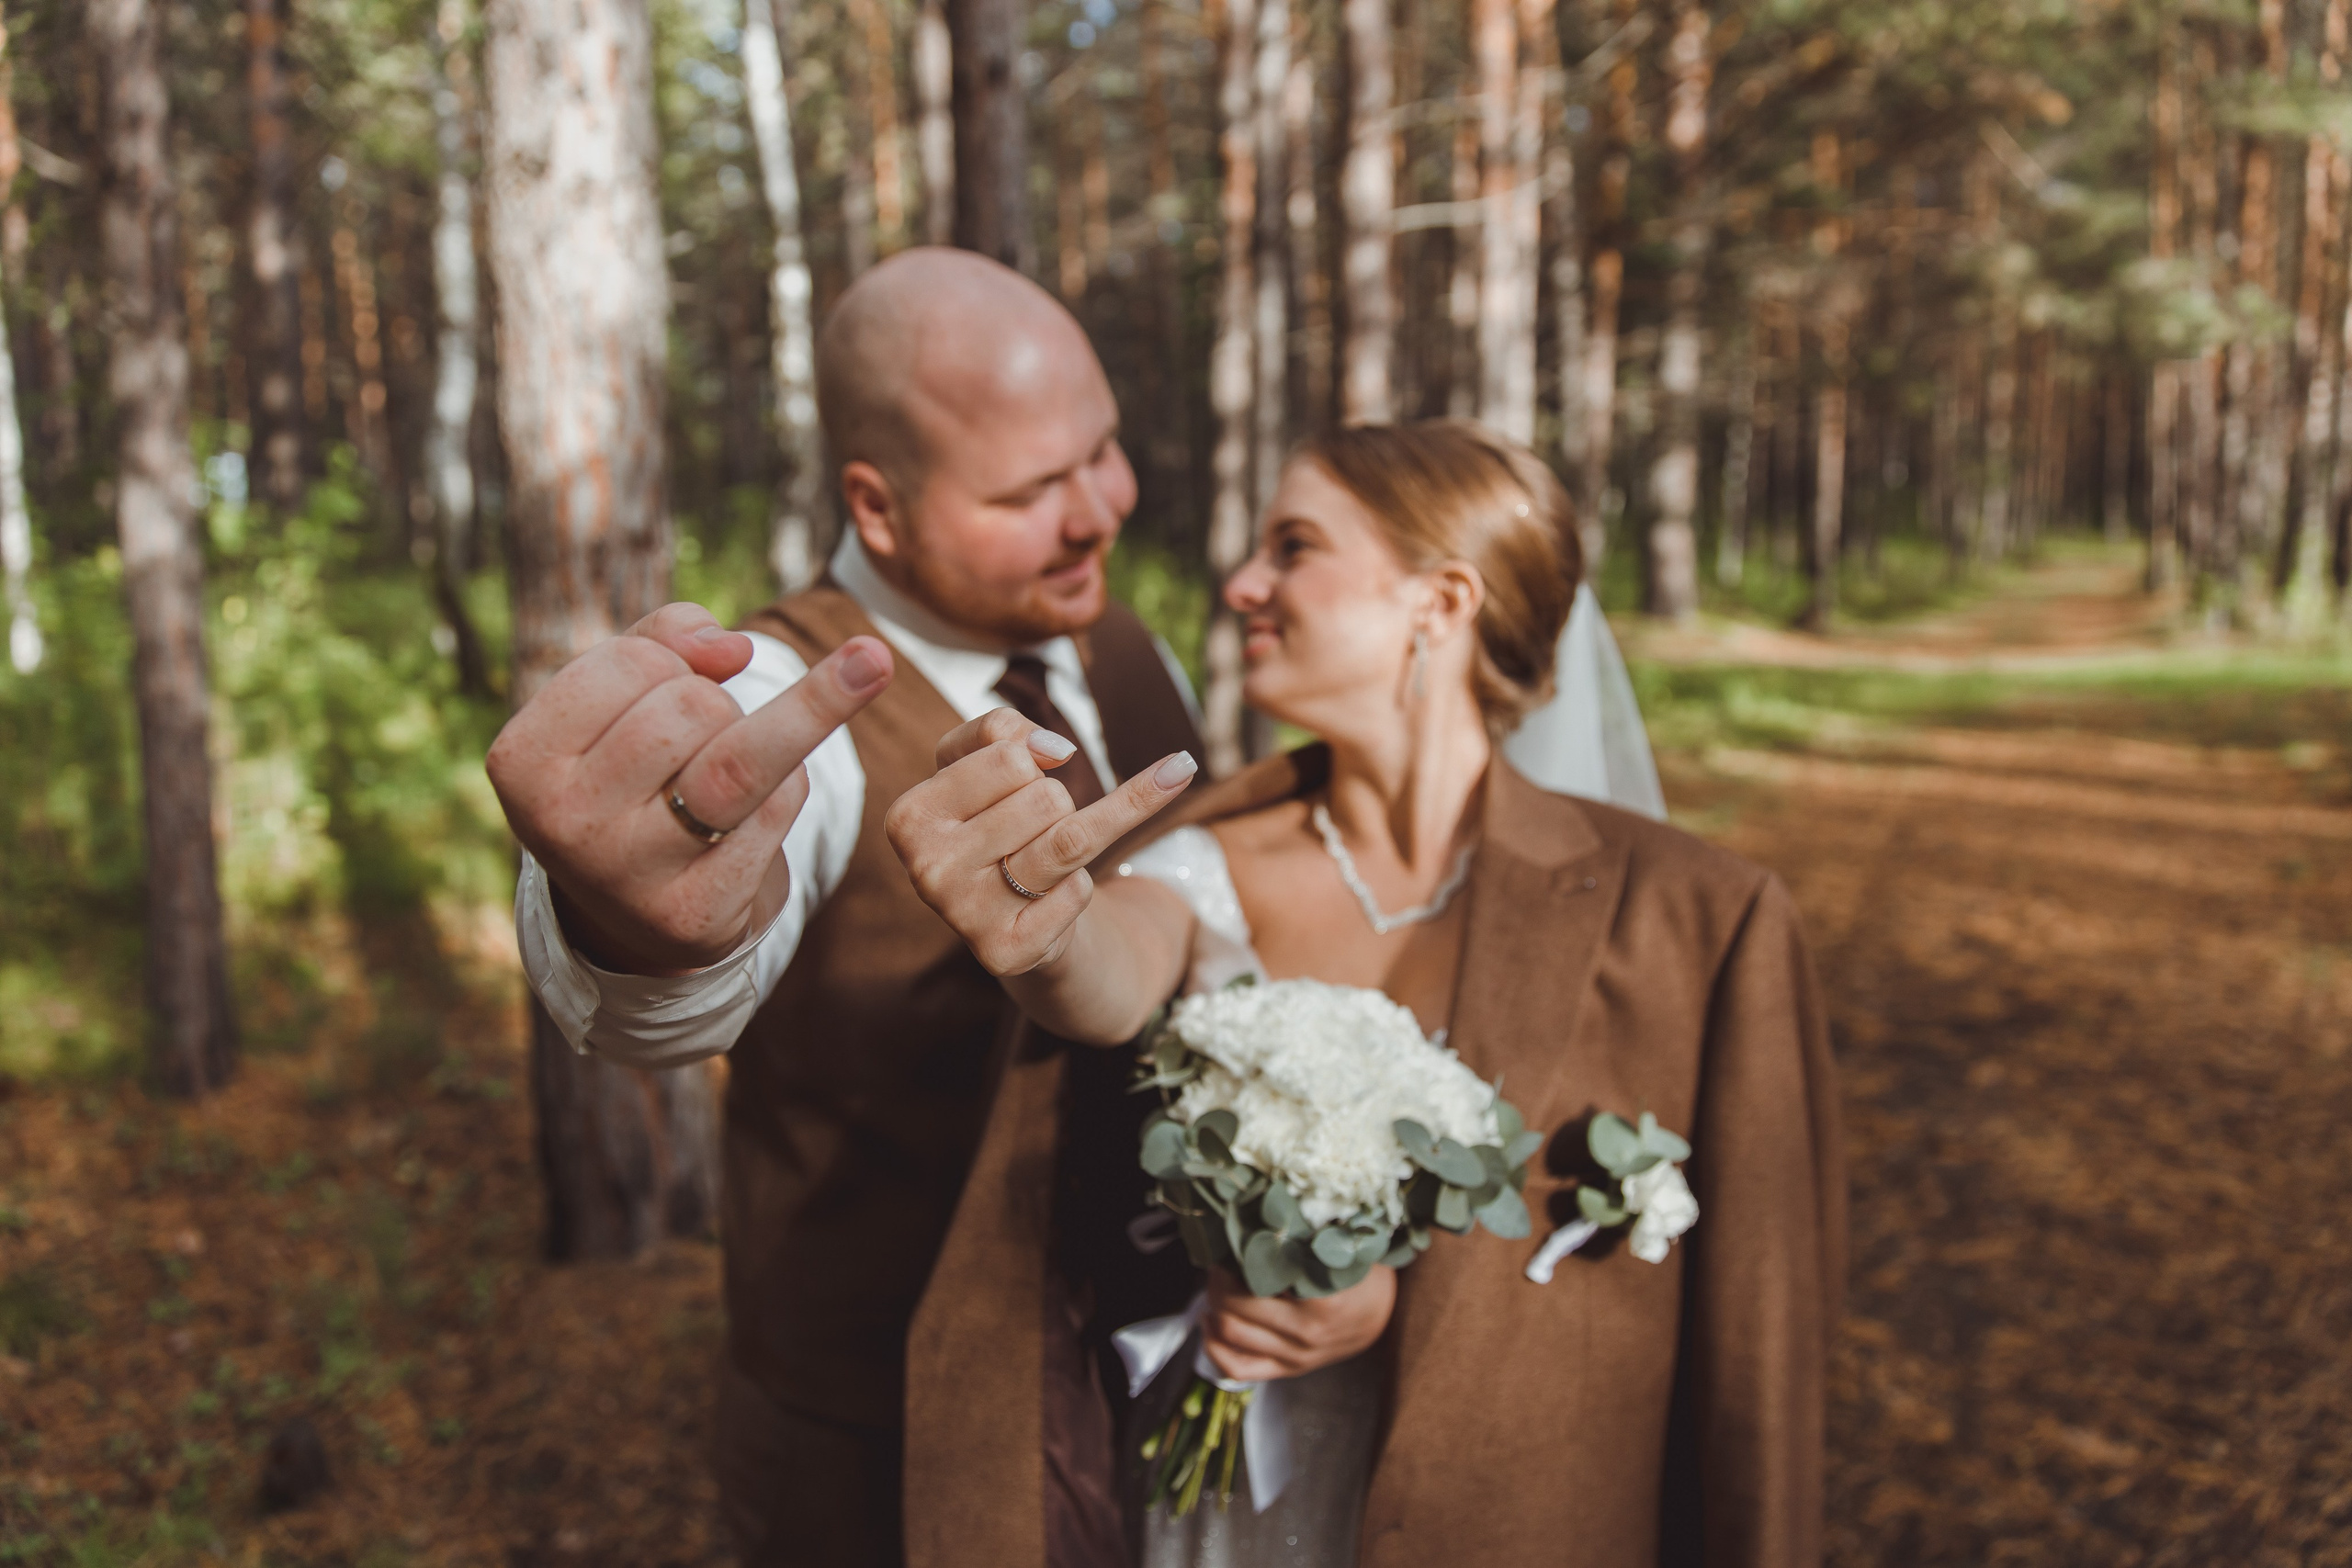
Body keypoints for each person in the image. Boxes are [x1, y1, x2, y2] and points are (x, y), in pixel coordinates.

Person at [886, 420, 1847, 1567]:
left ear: (1439, 603)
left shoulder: (1705, 921)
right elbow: (1104, 975)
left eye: (1292, 547)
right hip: (1227, 1514)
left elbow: (1761, 1357)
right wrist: (1038, 934)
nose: (1242, 582)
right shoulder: (1209, 854)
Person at [486, 247, 1204, 1566]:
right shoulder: (787, 694)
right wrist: (631, 928)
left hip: (1140, 1374)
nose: (1101, 508)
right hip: (870, 1439)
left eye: (1101, 450)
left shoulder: (1119, 644)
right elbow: (672, 962)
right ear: (877, 507)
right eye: (1033, 487)